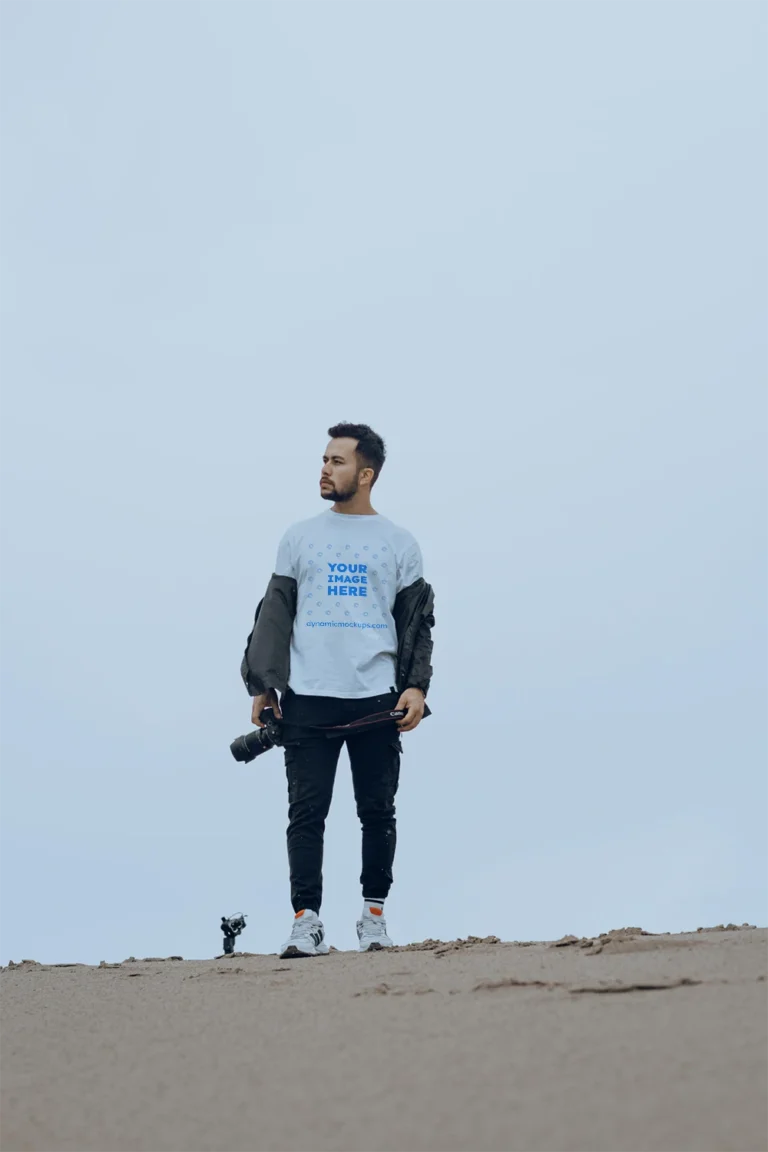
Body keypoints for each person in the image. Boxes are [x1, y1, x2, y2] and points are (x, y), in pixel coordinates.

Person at [241, 423, 435, 958]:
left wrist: (416, 685)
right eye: (324, 459)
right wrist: (264, 686)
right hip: (306, 696)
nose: (325, 468)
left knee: (377, 811)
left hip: (377, 699)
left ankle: (374, 919)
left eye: (338, 461)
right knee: (306, 814)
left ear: (366, 474)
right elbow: (274, 615)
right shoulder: (299, 536)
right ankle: (307, 922)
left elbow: (417, 623)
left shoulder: (399, 543)